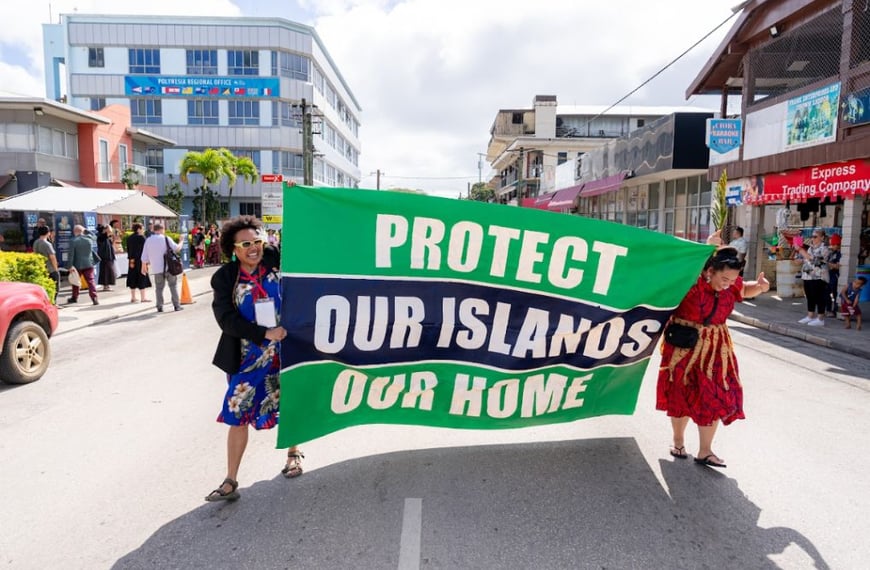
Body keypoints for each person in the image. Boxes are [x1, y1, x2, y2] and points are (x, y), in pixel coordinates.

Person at [205, 215, 302, 502]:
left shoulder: (273, 259)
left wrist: (296, 201)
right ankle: (230, 480)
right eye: (246, 243)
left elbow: (302, 244)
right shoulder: (224, 278)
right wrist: (264, 333)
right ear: (233, 248)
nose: (254, 248)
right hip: (248, 356)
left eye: (257, 241)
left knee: (290, 403)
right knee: (238, 414)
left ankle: (293, 455)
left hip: (285, 349)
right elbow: (226, 320)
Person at [657, 237, 770, 469]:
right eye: (724, 279)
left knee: (716, 395)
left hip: (717, 348)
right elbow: (674, 269)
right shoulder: (692, 282)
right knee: (682, 393)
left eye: (733, 279)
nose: (728, 284)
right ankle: (678, 442)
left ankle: (705, 451)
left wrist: (759, 287)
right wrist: (706, 247)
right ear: (710, 271)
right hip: (684, 346)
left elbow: (744, 289)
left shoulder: (733, 285)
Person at [140, 222, 183, 313]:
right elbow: (177, 248)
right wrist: (181, 241)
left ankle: (159, 306)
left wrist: (143, 267)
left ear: (154, 230)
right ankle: (176, 306)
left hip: (156, 269)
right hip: (169, 268)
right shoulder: (166, 238)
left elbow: (144, 257)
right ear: (161, 229)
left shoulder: (148, 240)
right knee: (173, 286)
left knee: (159, 288)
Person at [795, 230, 830, 327]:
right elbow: (807, 259)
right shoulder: (811, 248)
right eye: (812, 236)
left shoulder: (824, 248)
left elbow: (815, 260)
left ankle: (820, 318)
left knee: (819, 297)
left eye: (815, 237)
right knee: (810, 296)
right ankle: (810, 316)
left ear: (822, 237)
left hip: (819, 276)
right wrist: (801, 260)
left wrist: (801, 251)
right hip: (808, 276)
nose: (813, 238)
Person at [67, 225, 99, 305]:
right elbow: (95, 236)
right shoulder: (89, 239)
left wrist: (69, 266)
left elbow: (71, 255)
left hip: (77, 265)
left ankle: (74, 297)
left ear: (75, 232)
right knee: (91, 281)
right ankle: (94, 297)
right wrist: (86, 230)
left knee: (75, 281)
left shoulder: (73, 241)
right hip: (89, 263)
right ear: (83, 231)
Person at [125, 223, 152, 303]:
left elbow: (129, 249)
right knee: (142, 276)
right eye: (142, 228)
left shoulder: (129, 238)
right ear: (139, 229)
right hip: (141, 260)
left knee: (132, 276)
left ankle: (133, 297)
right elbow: (146, 250)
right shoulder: (142, 238)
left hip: (132, 260)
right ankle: (143, 298)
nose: (143, 230)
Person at [33, 226, 59, 303]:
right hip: (50, 268)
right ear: (48, 233)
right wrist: (56, 269)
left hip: (41, 267)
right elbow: (52, 257)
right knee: (55, 286)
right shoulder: (47, 244)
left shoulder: (36, 242)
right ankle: (53, 302)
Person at [96, 224, 116, 291]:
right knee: (105, 272)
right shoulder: (101, 236)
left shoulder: (105, 236)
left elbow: (111, 243)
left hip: (108, 256)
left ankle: (107, 285)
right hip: (105, 256)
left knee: (109, 271)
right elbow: (109, 230)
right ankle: (106, 286)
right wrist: (108, 227)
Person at [826, 234, 842, 317]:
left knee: (835, 294)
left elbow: (838, 266)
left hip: (835, 276)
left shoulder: (840, 254)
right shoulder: (832, 252)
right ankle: (828, 309)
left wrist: (827, 264)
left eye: (833, 245)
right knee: (826, 293)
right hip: (828, 275)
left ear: (838, 244)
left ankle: (835, 311)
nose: (831, 246)